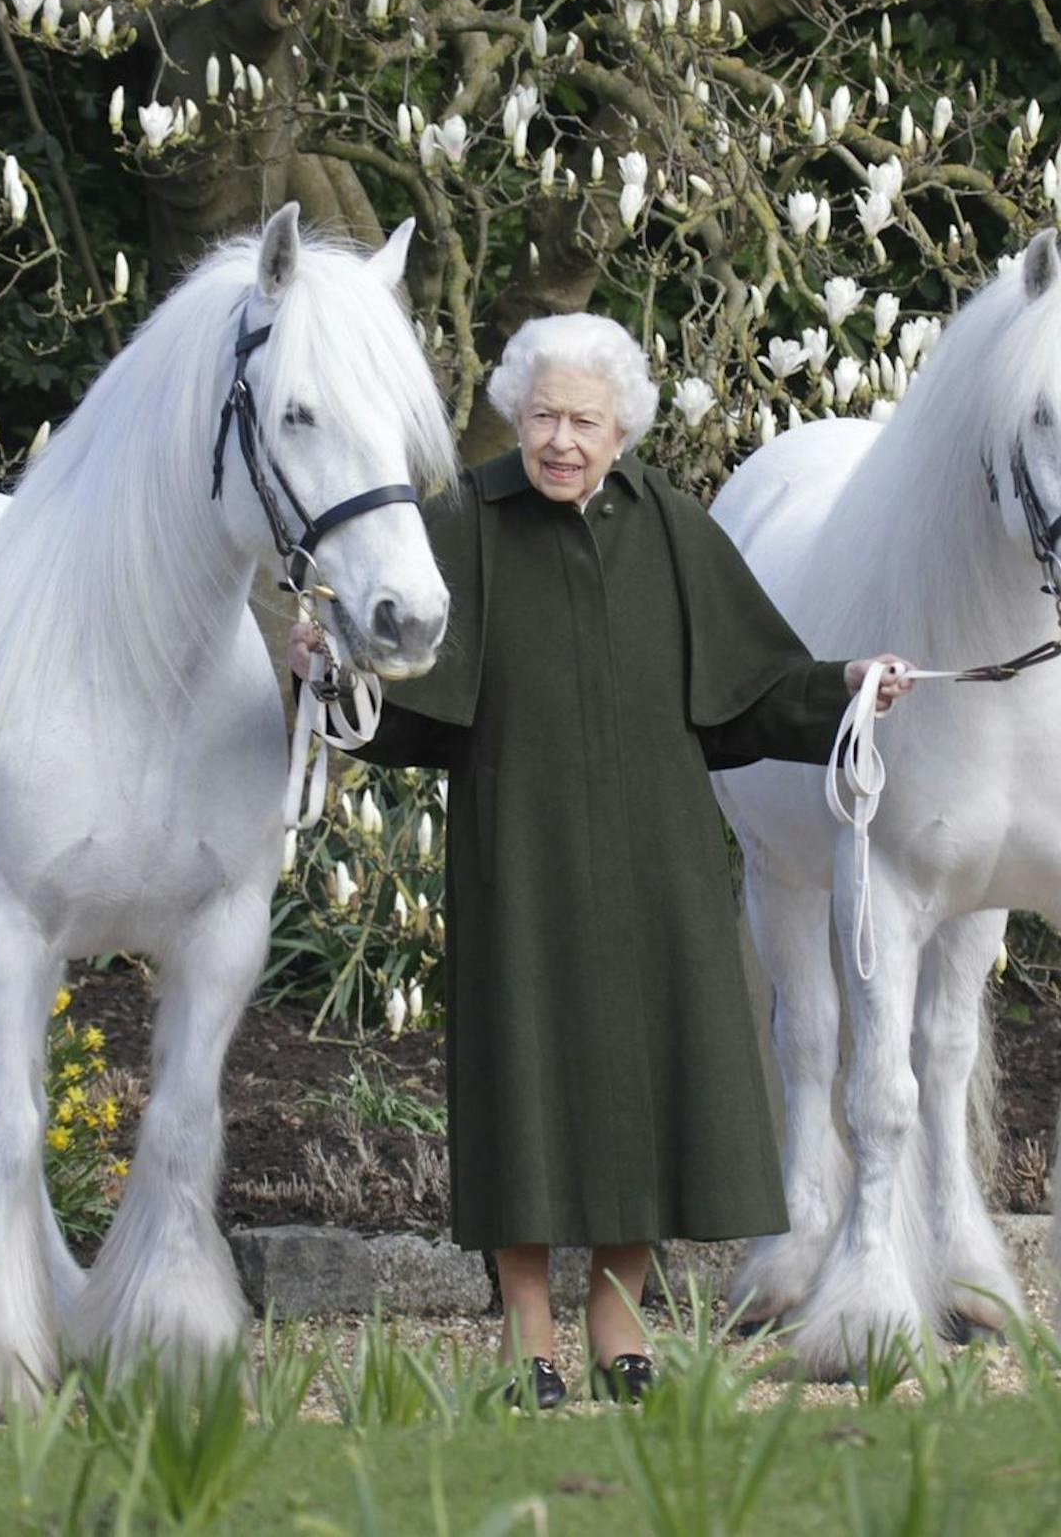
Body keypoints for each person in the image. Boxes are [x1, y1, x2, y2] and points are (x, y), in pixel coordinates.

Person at [288, 313, 910, 1408]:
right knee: (521, 1087)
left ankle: (617, 1314)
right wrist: (328, 674)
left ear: (622, 428)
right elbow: (404, 704)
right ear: (515, 418)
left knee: (647, 1086)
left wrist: (848, 686)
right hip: (516, 856)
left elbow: (752, 690)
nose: (560, 441)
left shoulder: (669, 525)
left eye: (583, 420)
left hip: (655, 861)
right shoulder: (466, 520)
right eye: (542, 417)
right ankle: (526, 1327)